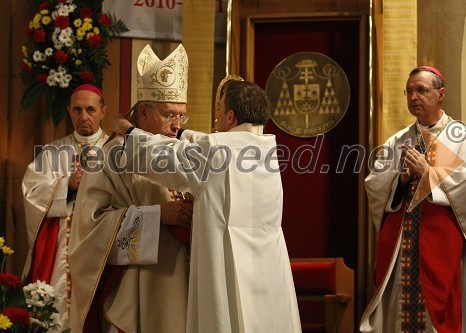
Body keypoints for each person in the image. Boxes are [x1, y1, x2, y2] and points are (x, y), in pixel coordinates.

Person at [113, 77, 302, 333]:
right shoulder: (266, 150)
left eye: (219, 110)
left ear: (230, 117)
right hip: (267, 275)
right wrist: (181, 133)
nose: (216, 120)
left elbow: (160, 157)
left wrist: (128, 131)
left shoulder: (214, 153)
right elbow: (208, 144)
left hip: (227, 270)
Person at [360, 66, 466, 333]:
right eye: (410, 91)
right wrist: (399, 180)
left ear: (441, 94)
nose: (414, 97)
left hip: (450, 245)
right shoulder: (397, 141)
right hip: (406, 247)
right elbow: (375, 187)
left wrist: (429, 174)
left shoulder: (464, 139)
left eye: (422, 90)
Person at [68, 44, 192, 333]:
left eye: (181, 116)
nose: (176, 125)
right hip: (138, 289)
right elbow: (90, 229)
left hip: (185, 282)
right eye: (169, 115)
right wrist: (156, 215)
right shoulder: (111, 156)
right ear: (144, 113)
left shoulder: (185, 152)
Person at [22, 83, 109, 330]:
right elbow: (32, 193)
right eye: (77, 110)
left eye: (90, 109)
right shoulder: (51, 153)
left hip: (101, 244)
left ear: (103, 111)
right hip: (63, 249)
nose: (84, 117)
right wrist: (67, 184)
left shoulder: (116, 151)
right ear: (69, 111)